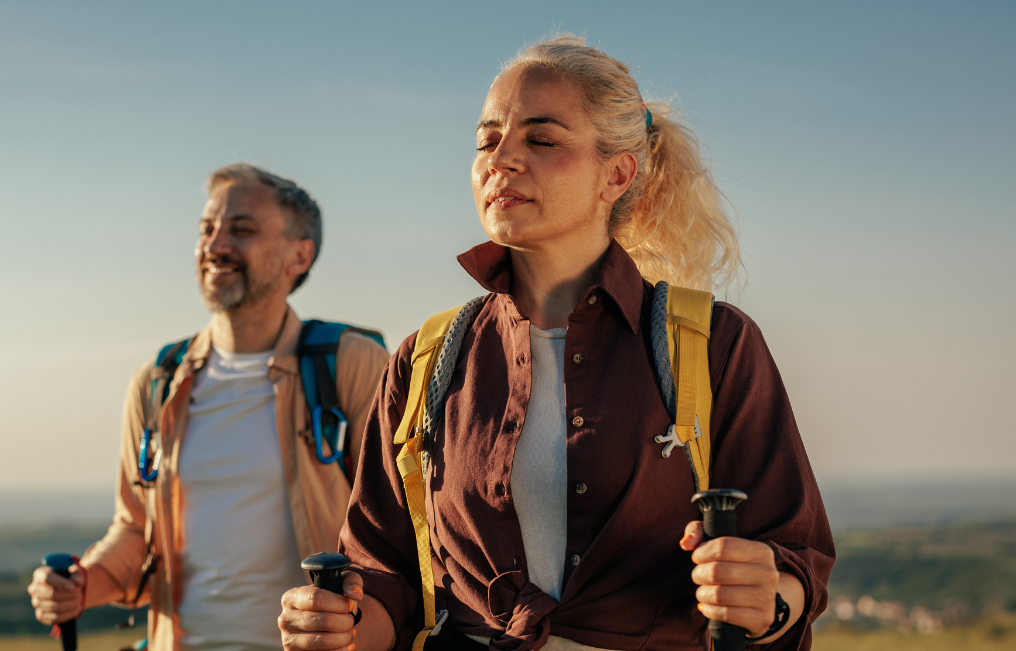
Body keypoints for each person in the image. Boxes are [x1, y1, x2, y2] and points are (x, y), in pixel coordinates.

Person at [278, 36, 834, 651]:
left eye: (540, 139)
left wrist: (769, 598)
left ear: (617, 172)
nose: (502, 160)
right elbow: (385, 574)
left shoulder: (714, 345)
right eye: (488, 140)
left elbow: (795, 557)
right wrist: (342, 626)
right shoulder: (425, 359)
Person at [30, 163, 391, 651]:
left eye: (241, 230)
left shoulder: (350, 365)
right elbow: (135, 529)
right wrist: (82, 584)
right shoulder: (158, 383)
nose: (215, 245)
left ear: (299, 256)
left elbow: (394, 531)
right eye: (207, 229)